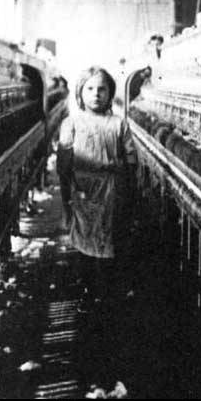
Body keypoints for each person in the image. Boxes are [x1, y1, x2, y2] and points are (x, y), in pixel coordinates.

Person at [57, 66, 137, 312]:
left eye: (102, 89)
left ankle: (107, 296)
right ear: (80, 93)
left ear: (110, 93)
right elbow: (63, 166)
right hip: (83, 191)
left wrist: (129, 194)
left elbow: (132, 161)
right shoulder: (71, 123)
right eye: (90, 89)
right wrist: (66, 201)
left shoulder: (118, 123)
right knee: (85, 244)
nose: (96, 94)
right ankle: (88, 293)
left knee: (110, 241)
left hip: (113, 190)